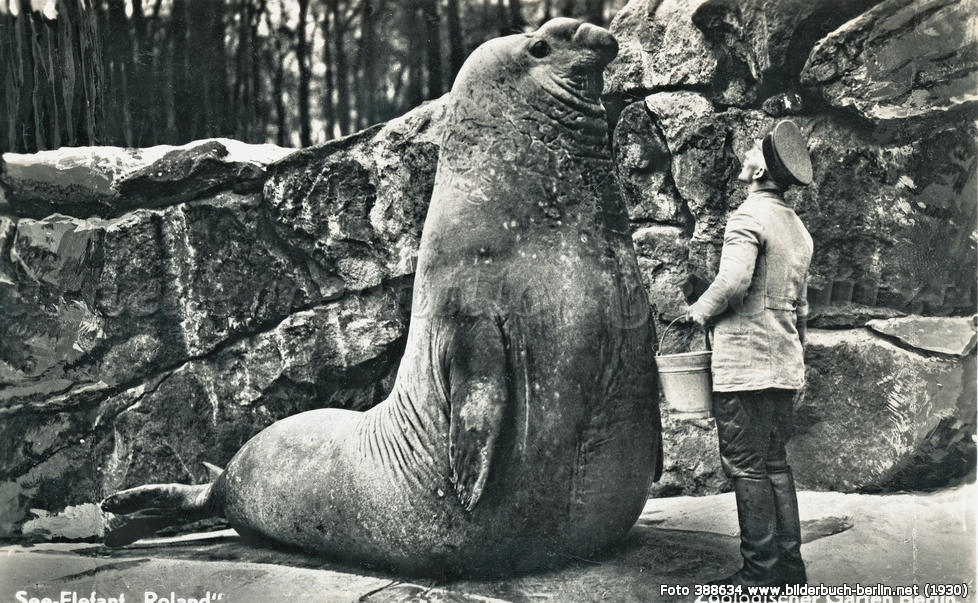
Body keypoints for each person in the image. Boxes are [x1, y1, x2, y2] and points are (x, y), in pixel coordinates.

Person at [682, 120, 814, 588]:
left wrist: (698, 312)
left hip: (745, 368)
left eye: (753, 149)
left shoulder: (747, 218)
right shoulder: (798, 229)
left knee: (745, 467)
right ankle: (790, 571)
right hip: (783, 365)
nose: (746, 153)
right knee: (776, 463)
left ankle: (759, 575)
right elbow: (801, 309)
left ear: (760, 172)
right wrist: (798, 361)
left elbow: (734, 282)